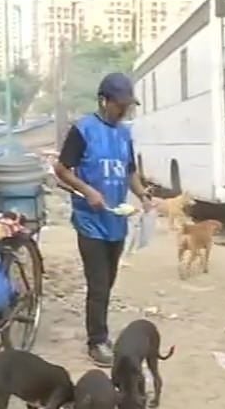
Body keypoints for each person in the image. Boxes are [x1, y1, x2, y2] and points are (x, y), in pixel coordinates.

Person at [54, 72, 153, 367]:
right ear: (103, 101)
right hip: (90, 220)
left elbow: (129, 171)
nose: (124, 110)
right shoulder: (83, 130)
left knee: (107, 283)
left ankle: (100, 332)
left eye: (127, 105)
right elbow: (61, 168)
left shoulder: (124, 134)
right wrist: (87, 190)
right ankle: (96, 341)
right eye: (119, 104)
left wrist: (143, 195)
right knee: (97, 284)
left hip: (115, 221)